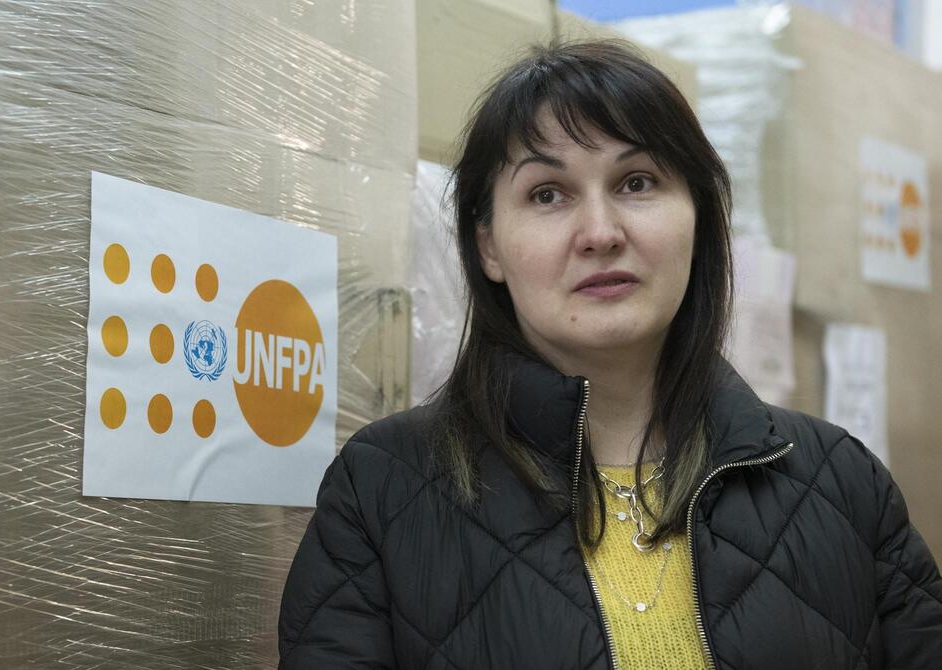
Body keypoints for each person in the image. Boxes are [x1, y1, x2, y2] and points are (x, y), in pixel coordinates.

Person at [277, 39, 942, 669]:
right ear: (488, 248)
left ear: (699, 218)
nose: (600, 232)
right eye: (547, 194)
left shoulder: (840, 482)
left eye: (638, 182)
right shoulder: (381, 490)